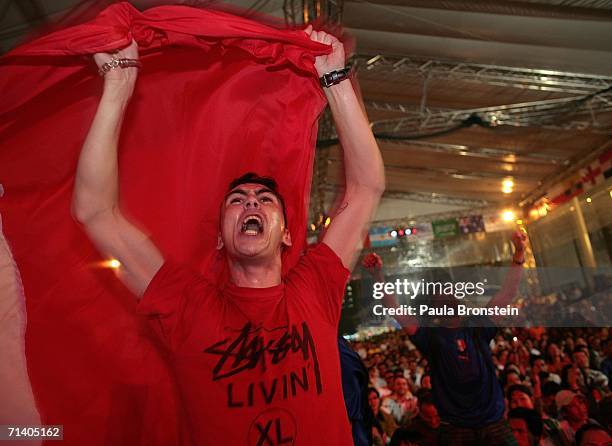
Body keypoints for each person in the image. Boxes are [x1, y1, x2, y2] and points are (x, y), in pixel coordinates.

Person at [72, 24, 385, 445]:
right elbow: (96, 212)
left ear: (288, 236)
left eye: (264, 200)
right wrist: (119, 85)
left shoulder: (316, 286)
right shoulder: (187, 306)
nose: (251, 203)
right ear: (220, 238)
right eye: (236, 200)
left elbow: (366, 188)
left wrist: (334, 78)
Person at [362, 229, 527, 446]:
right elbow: (395, 309)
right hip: (456, 428)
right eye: (441, 298)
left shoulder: (477, 326)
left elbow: (506, 294)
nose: (448, 301)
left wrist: (519, 254)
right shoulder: (430, 336)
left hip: (493, 421)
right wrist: (378, 276)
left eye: (451, 295)